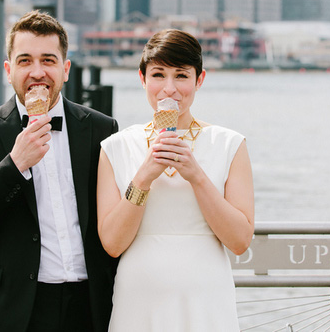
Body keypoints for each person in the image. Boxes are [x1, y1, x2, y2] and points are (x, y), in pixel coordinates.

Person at [0, 10, 119, 332]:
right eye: (25, 61)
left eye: (48, 60)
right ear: (9, 69)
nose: (37, 72)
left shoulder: (101, 128)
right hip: (15, 308)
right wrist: (15, 164)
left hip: (91, 303)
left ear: (65, 69)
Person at [97, 29, 254, 331]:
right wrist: (143, 177)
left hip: (206, 299)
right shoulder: (116, 147)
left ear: (199, 80)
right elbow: (113, 243)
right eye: (158, 75)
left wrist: (196, 176)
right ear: (142, 79)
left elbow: (239, 241)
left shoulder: (229, 144)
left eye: (181, 76)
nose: (169, 89)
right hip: (139, 299)